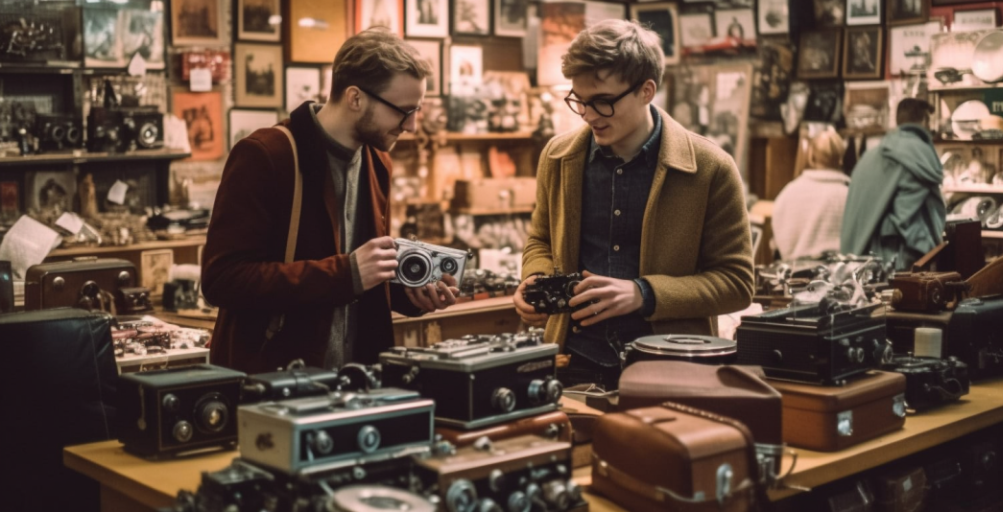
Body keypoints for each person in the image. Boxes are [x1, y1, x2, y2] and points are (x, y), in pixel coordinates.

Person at [513, 19, 754, 388]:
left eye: (603, 102)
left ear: (646, 90)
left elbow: (736, 283)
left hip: (671, 364)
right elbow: (540, 240)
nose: (589, 115)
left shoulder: (711, 168)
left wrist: (643, 294)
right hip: (572, 360)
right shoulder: (557, 157)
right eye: (579, 100)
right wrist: (535, 281)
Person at [202, 28, 458, 374]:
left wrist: (409, 294)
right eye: (404, 111)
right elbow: (222, 280)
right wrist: (347, 272)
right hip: (277, 382)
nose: (411, 126)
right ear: (355, 98)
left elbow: (359, 276)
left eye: (417, 111)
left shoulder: (377, 160)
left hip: (355, 382)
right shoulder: (266, 155)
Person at [840, 98, 945, 270]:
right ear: (925, 121)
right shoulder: (918, 153)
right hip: (898, 267)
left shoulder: (872, 155)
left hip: (861, 263)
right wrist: (930, 258)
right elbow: (909, 221)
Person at [773, 129, 849, 260]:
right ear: (840, 158)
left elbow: (781, 241)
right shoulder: (849, 195)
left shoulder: (788, 193)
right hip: (841, 276)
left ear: (811, 156)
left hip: (795, 275)